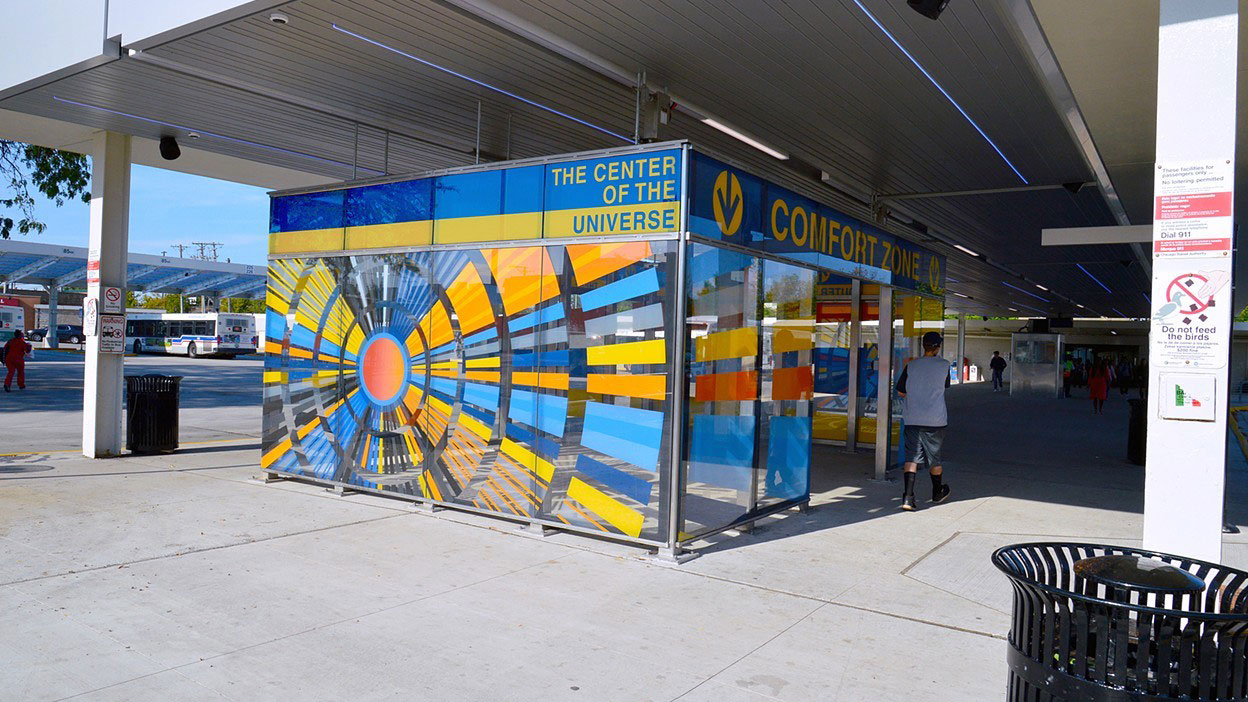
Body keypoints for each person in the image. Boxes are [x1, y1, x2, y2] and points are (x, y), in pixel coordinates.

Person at [896, 331, 951, 511]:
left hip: (912, 417)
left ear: (923, 346)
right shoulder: (944, 365)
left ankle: (908, 498)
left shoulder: (911, 365)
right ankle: (937, 492)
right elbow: (944, 386)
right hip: (935, 419)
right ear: (938, 347)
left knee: (911, 457)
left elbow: (901, 391)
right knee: (934, 458)